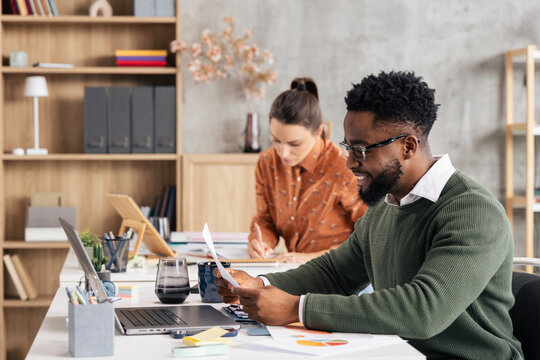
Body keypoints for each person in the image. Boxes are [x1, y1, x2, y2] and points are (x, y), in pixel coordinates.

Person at [216, 71, 524, 359]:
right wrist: (261, 283)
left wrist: (297, 308)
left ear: (408, 146)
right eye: (348, 148)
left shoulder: (473, 212)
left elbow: (423, 311)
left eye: (361, 151)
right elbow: (334, 274)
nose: (349, 163)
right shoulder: (386, 206)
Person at [247, 77, 367, 264]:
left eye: (295, 144)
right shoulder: (267, 162)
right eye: (276, 140)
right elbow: (265, 219)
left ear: (318, 131)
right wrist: (259, 241)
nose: (283, 153)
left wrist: (308, 259)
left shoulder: (344, 165)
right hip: (292, 271)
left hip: (341, 274)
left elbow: (369, 237)